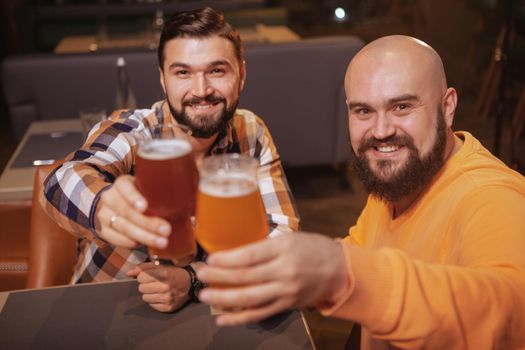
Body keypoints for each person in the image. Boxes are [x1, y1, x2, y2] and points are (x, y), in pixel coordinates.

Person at [196, 35, 525, 349]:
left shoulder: (490, 195)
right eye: (364, 111)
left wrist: (341, 273)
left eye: (401, 107)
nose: (381, 131)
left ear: (447, 107)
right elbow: (363, 247)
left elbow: (511, 308)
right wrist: (291, 277)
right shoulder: (403, 174)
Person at [41, 7, 299, 313]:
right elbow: (63, 178)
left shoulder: (251, 131)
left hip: (211, 312)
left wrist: (194, 279)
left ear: (241, 75)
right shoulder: (134, 131)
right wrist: (102, 208)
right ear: (163, 80)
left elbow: (282, 236)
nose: (201, 91)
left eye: (217, 70)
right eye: (183, 72)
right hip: (107, 308)